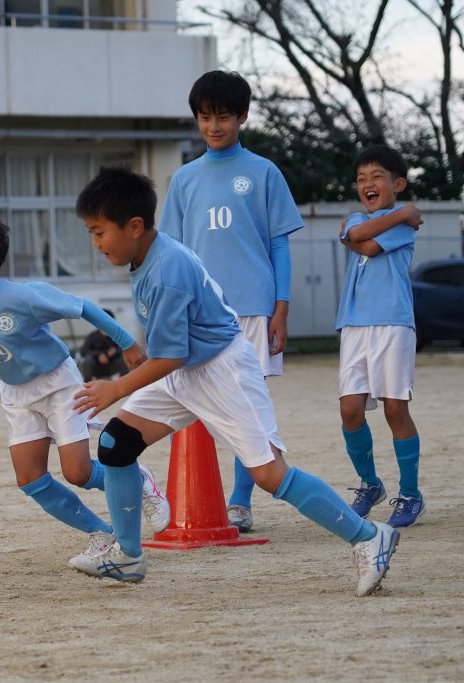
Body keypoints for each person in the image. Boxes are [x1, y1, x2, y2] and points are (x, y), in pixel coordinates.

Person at [70, 167, 400, 597]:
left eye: (99, 233)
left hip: (223, 371)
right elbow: (174, 355)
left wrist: (117, 387)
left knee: (269, 474)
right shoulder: (144, 256)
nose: (95, 244)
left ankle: (368, 536)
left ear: (134, 227)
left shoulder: (167, 269)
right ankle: (128, 555)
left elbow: (171, 356)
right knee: (116, 444)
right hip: (187, 369)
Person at [0, 212, 171, 567]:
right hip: (16, 394)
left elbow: (83, 307)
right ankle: (104, 536)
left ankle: (140, 480)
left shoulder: (21, 296)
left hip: (57, 383)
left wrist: (127, 343)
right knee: (30, 478)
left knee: (78, 473)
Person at [157, 70, 304, 534]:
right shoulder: (183, 180)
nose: (214, 126)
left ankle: (240, 502)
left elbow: (280, 245)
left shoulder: (264, 172)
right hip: (200, 311)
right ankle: (197, 498)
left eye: (223, 117)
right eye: (205, 117)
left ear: (242, 116)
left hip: (253, 305)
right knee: (193, 399)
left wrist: (280, 308)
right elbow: (171, 254)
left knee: (247, 406)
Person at [336, 145, 426, 528]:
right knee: (350, 409)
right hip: (354, 325)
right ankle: (370, 485)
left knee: (394, 409)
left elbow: (365, 243)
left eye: (376, 177)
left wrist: (400, 215)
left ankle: (410, 494)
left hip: (393, 324)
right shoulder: (373, 216)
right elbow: (353, 231)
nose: (367, 184)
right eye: (361, 179)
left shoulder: (404, 223)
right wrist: (358, 232)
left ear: (398, 184)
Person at [77, 308, 129, 382]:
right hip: (96, 367)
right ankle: (87, 385)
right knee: (87, 361)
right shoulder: (92, 336)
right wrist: (98, 355)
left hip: (111, 366)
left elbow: (126, 348)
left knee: (124, 358)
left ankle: (124, 383)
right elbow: (83, 351)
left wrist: (115, 351)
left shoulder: (117, 335)